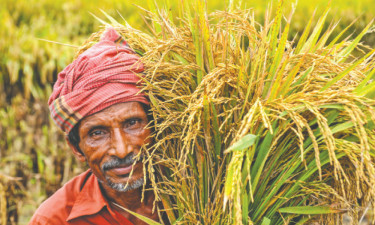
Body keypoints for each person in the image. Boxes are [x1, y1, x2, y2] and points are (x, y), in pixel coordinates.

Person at [29, 27, 162, 225]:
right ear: (76, 148)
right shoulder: (54, 220)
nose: (121, 149)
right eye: (97, 133)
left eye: (132, 123)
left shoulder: (201, 195)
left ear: (156, 125)